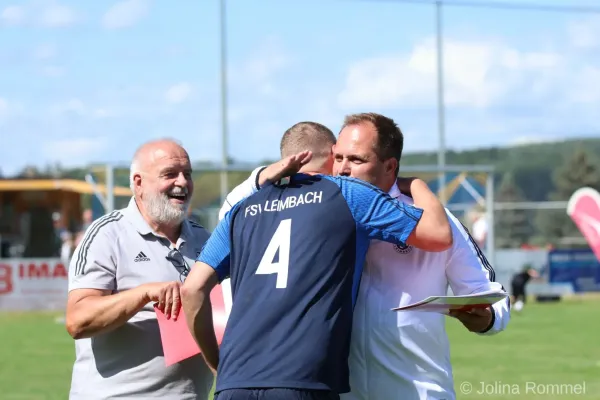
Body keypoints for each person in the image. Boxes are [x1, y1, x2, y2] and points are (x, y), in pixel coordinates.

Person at [218, 114, 510, 400]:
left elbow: (490, 295)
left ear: (390, 166)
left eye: (356, 160)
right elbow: (230, 212)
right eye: (338, 158)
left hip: (418, 392)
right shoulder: (316, 210)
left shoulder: (432, 218)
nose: (342, 169)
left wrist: (486, 319)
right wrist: (261, 176)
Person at [181, 122, 453, 400]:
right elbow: (439, 234)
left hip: (234, 382)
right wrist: (416, 184)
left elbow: (192, 290)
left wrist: (218, 363)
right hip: (304, 381)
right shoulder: (346, 193)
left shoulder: (242, 209)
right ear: (333, 154)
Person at [65, 139, 214, 399]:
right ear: (138, 183)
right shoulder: (107, 234)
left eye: (187, 174)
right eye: (169, 174)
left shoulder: (206, 241)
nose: (182, 182)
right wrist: (143, 294)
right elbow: (78, 320)